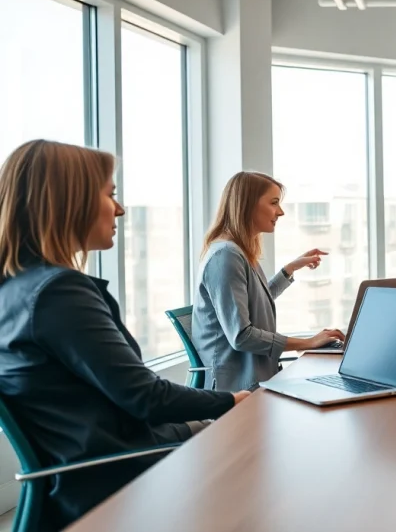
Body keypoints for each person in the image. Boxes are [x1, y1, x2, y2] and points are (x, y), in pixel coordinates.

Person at [0, 140, 246, 531]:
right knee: (252, 452)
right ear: (70, 202)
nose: (120, 209)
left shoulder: (15, 289)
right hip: (115, 473)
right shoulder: (58, 292)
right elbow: (145, 397)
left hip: (87, 467)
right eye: (110, 194)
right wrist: (232, 400)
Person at [191, 172, 344, 392]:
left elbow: (257, 300)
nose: (280, 212)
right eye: (274, 203)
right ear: (247, 205)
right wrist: (306, 343)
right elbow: (242, 336)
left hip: (257, 378)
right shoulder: (225, 256)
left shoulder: (238, 252)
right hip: (237, 389)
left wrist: (291, 268)